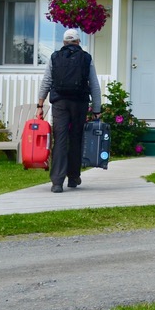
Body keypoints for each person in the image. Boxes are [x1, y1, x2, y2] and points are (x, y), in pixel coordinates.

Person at [37, 29, 102, 193]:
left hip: (59, 103)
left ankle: (57, 182)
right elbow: (94, 84)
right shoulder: (86, 58)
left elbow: (46, 81)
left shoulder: (55, 57)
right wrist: (96, 109)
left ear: (64, 42)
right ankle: (73, 177)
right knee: (76, 139)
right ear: (78, 42)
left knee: (60, 139)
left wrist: (40, 105)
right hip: (79, 103)